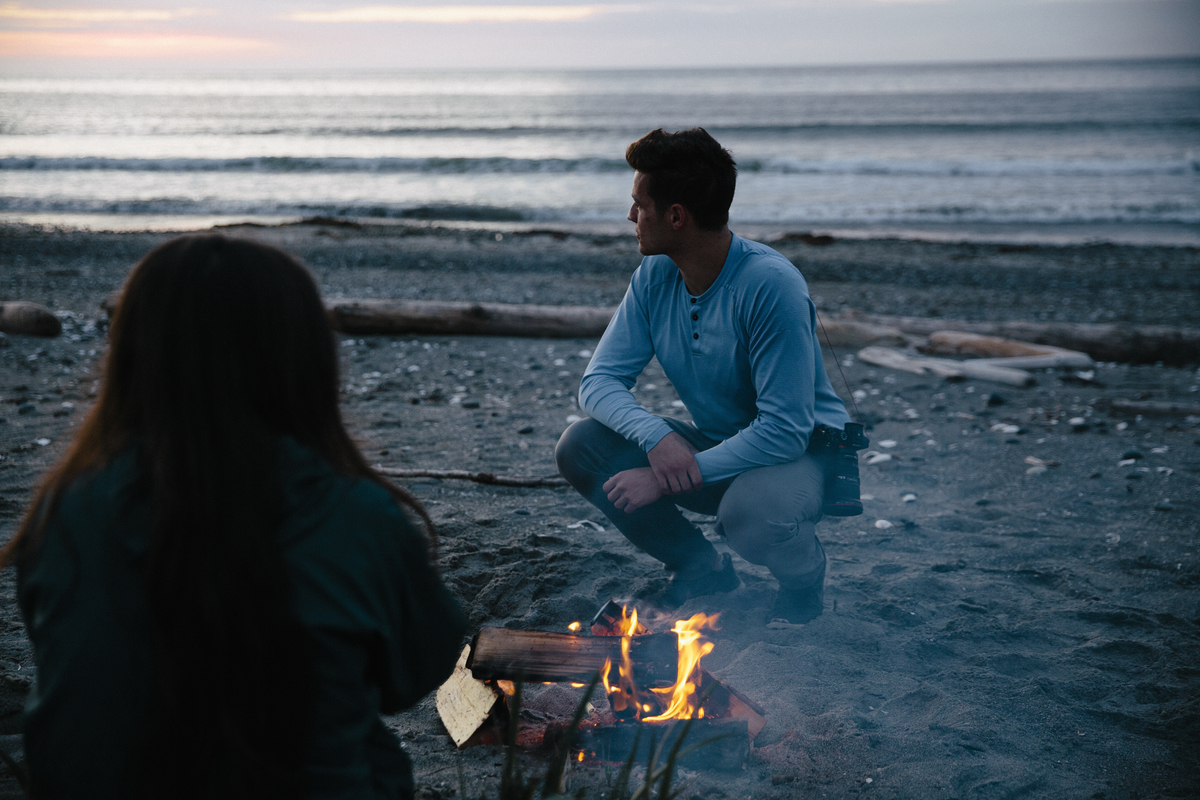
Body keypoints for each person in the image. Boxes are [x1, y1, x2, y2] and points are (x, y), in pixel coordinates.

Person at [1, 234, 466, 799]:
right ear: (304, 358)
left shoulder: (65, 510)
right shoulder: (357, 517)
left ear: (132, 356)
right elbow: (417, 672)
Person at [555, 128, 852, 624]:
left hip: (802, 454)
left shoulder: (768, 285)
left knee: (750, 517)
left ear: (676, 216)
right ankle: (701, 568)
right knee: (581, 445)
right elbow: (598, 382)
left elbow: (785, 431)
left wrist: (664, 477)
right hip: (720, 445)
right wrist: (655, 438)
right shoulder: (656, 275)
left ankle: (804, 580)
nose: (631, 216)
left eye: (639, 204)